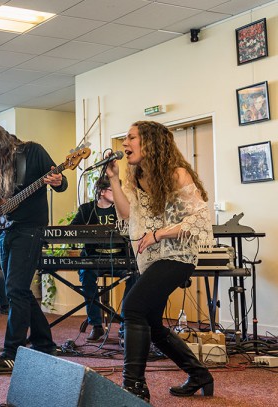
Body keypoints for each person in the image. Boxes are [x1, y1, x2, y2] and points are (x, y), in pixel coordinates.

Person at [106, 121, 215, 401]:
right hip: (152, 259)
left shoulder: (177, 174)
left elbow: (200, 219)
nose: (124, 143)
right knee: (152, 323)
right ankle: (199, 374)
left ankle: (134, 387)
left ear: (150, 142)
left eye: (131, 138)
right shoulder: (137, 176)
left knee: (132, 307)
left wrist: (158, 234)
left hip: (178, 256)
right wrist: (114, 180)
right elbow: (127, 213)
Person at [0, 124, 68, 371]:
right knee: (19, 289)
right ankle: (45, 343)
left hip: (30, 228)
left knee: (15, 289)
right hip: (5, 230)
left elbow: (61, 183)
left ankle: (12, 352)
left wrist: (59, 181)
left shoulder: (33, 151)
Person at [70, 175, 137, 342]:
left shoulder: (122, 209)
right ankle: (96, 325)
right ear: (101, 191)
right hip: (93, 258)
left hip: (119, 259)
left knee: (135, 275)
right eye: (112, 189)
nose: (117, 193)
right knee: (87, 274)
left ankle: (125, 324)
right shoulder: (86, 210)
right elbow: (71, 231)